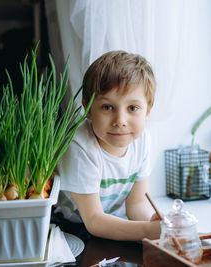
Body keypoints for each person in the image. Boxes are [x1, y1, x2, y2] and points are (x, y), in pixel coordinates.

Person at [54, 50, 160, 241]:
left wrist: (153, 224)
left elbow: (136, 204)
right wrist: (147, 231)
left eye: (133, 108)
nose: (120, 120)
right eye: (107, 107)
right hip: (70, 230)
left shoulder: (143, 140)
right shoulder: (80, 146)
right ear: (87, 109)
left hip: (114, 225)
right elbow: (93, 220)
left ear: (147, 111)